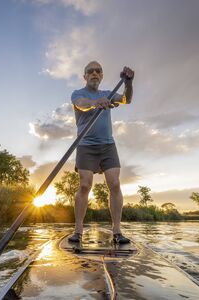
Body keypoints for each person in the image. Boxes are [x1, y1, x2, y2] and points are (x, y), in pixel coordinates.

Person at [69, 61, 134, 244]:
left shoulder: (108, 94)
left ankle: (117, 231)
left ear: (102, 76)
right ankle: (78, 231)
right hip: (85, 145)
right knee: (84, 186)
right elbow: (81, 104)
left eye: (98, 71)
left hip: (107, 145)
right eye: (90, 71)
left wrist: (128, 83)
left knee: (114, 184)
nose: (94, 73)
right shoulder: (78, 94)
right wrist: (94, 103)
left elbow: (126, 100)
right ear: (85, 76)